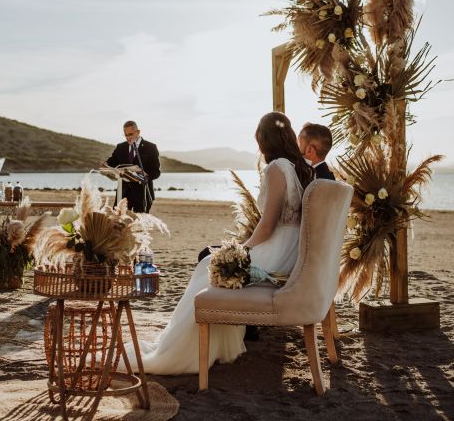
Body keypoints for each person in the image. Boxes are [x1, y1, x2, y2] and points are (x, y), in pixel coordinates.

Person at [125, 112, 313, 374]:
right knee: (209, 264)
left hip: (278, 251)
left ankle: (183, 352)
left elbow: (268, 225)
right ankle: (219, 348)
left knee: (206, 266)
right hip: (290, 250)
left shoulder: (276, 168)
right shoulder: (298, 169)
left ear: (265, 141)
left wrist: (242, 249)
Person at [106, 120, 161, 213]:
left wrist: (146, 175)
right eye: (126, 135)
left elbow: (156, 172)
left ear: (138, 132)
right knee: (119, 224)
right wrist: (105, 166)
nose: (128, 138)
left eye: (130, 134)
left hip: (143, 195)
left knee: (139, 225)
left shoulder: (150, 147)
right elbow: (111, 163)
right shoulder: (120, 147)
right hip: (122, 194)